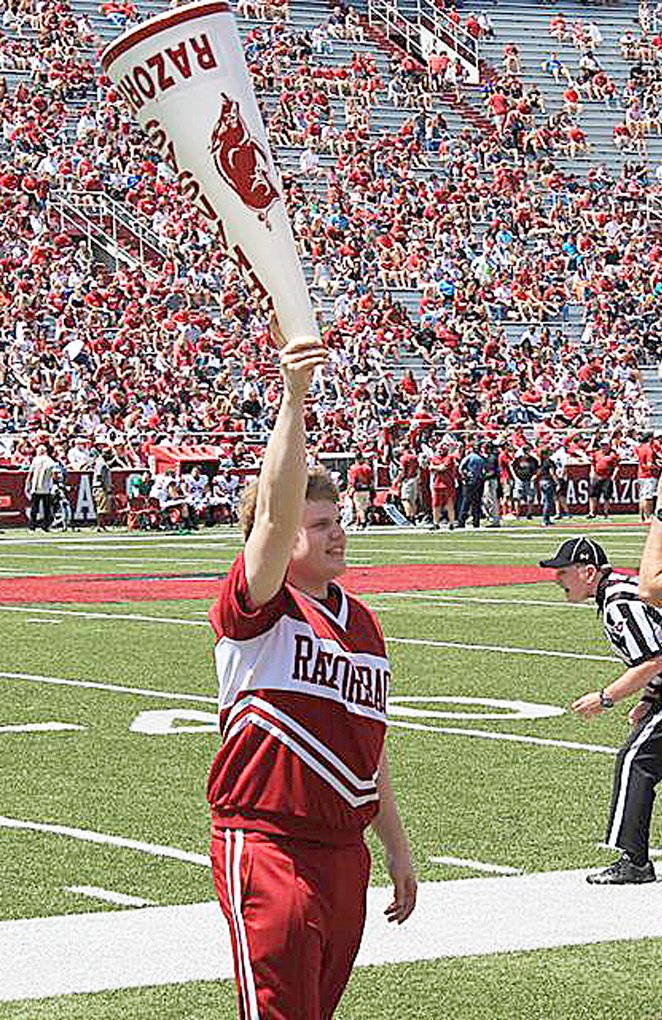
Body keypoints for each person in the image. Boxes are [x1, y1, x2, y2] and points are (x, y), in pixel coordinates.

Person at [206, 334, 417, 1019]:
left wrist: (396, 847)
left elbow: (368, 749)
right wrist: (294, 396)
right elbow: (270, 515)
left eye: (338, 521)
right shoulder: (259, 604)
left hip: (342, 851)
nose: (337, 534)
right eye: (318, 524)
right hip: (267, 843)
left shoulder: (364, 623)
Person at [540, 537, 662, 885]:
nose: (557, 579)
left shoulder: (617, 601)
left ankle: (635, 862)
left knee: (635, 761)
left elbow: (653, 660)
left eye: (563, 572)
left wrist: (606, 697)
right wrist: (649, 699)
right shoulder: (618, 592)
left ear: (588, 572)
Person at [25, 444, 56, 532]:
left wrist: (27, 484)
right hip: (46, 487)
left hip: (35, 486)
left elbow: (30, 473)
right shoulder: (50, 460)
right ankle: (45, 526)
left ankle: (32, 527)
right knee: (47, 508)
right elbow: (54, 473)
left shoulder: (35, 460)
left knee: (34, 508)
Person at [587, 437, 619, 519]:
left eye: (605, 445)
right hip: (597, 476)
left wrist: (613, 476)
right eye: (602, 445)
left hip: (607, 477)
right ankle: (592, 512)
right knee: (593, 495)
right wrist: (592, 473)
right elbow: (593, 464)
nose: (604, 447)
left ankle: (605, 512)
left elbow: (616, 466)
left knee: (606, 496)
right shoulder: (596, 454)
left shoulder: (612, 455)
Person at [636, 431, 662, 523]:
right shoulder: (649, 449)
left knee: (642, 497)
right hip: (648, 475)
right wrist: (658, 467)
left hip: (641, 474)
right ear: (650, 438)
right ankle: (648, 517)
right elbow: (649, 464)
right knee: (648, 497)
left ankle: (641, 517)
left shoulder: (640, 448)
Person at [91, 448, 113, 532]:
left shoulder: (100, 462)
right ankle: (100, 526)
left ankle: (102, 525)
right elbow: (99, 476)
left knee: (102, 508)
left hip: (99, 487)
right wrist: (105, 487)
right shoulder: (102, 464)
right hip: (100, 487)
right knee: (101, 508)